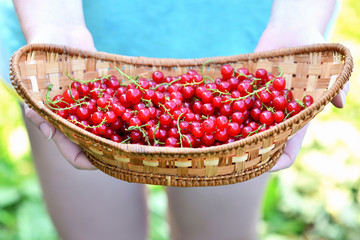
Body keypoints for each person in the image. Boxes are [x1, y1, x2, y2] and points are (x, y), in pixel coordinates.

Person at [0, 0, 348, 239]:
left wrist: (300, 21)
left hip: (255, 46)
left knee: (218, 232)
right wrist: (52, 26)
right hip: (74, 48)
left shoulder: (253, 93)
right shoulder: (77, 86)